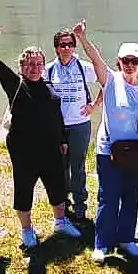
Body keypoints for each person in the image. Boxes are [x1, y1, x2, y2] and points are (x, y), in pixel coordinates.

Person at [0, 23, 82, 248]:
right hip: (24, 150)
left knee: (58, 186)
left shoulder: (48, 86)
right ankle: (27, 230)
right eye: (30, 64)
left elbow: (57, 117)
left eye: (38, 64)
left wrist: (63, 140)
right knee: (24, 189)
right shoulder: (15, 84)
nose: (35, 68)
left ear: (43, 66)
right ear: (22, 66)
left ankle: (60, 221)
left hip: (51, 148)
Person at [75, 21, 138, 262]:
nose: (129, 65)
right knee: (108, 196)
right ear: (118, 62)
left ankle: (126, 239)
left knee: (131, 196)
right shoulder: (111, 80)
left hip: (137, 154)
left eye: (133, 61)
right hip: (109, 152)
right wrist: (82, 37)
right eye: (125, 61)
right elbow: (95, 58)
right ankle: (102, 243)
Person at [46, 25, 101, 221]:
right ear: (56, 48)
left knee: (77, 166)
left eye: (70, 44)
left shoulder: (84, 67)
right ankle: (63, 202)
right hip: (57, 128)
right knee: (60, 167)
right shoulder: (49, 70)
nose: (66, 48)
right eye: (62, 45)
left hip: (80, 125)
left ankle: (80, 203)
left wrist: (93, 106)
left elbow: (106, 82)